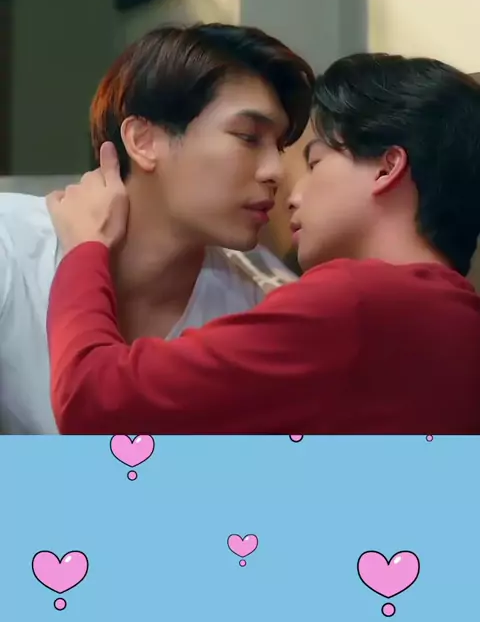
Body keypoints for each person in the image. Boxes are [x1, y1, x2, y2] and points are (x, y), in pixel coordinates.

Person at [46, 52, 480, 435]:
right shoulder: (458, 320)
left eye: (315, 162)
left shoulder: (355, 303)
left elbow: (94, 402)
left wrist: (85, 249)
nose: (289, 190)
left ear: (387, 169)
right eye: (249, 139)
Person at [0, 23, 314, 433]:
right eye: (248, 137)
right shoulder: (10, 245)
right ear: (143, 141)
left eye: (279, 146)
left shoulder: (264, 304)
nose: (275, 171)